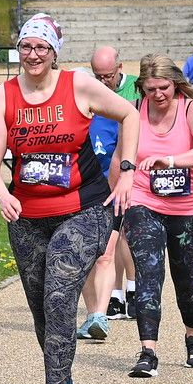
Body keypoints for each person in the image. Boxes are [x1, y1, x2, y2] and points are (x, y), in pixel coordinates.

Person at [0, 13, 135, 384]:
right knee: (40, 310)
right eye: (26, 46)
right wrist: (3, 194)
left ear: (54, 52)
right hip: (27, 216)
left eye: (41, 48)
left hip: (83, 210)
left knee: (60, 296)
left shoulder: (78, 84)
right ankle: (63, 383)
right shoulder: (5, 95)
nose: (33, 55)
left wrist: (128, 169)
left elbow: (130, 114)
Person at [121, 55, 193, 377]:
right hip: (144, 200)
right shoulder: (135, 111)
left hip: (189, 207)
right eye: (150, 89)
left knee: (186, 278)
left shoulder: (192, 109)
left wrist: (172, 160)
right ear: (142, 89)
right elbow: (123, 159)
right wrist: (115, 196)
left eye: (163, 87)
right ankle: (148, 351)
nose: (158, 95)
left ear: (175, 84)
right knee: (148, 272)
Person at [81, 45, 140, 337]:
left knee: (122, 237)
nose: (103, 81)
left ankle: (131, 288)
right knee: (104, 247)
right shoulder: (91, 96)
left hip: (121, 177)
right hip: (92, 185)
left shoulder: (133, 92)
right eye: (98, 76)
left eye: (108, 75)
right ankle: (111, 299)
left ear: (119, 67)